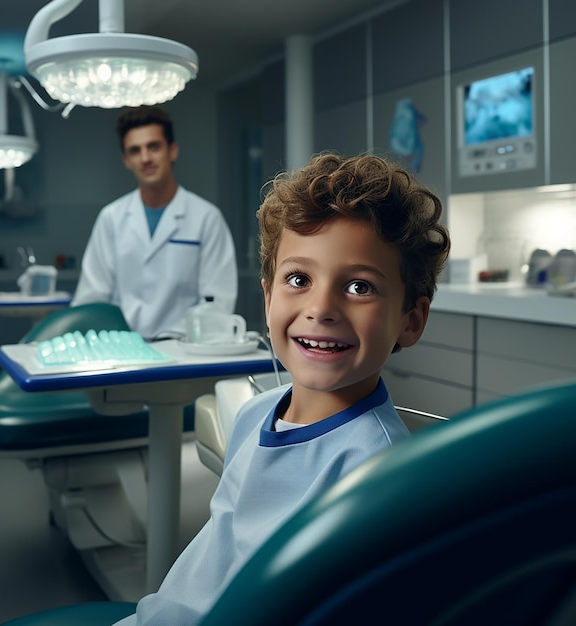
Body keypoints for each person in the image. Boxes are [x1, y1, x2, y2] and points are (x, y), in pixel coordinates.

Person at [114, 153, 451, 625]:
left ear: (410, 321)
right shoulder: (256, 414)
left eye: (359, 287)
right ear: (269, 296)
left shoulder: (374, 472)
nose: (321, 307)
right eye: (299, 279)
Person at [71, 106, 238, 340]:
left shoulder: (206, 218)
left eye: (154, 147)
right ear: (126, 160)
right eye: (135, 150)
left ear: (173, 150)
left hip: (185, 353)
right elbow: (91, 299)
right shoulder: (111, 218)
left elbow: (218, 302)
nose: (146, 158)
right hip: (122, 350)